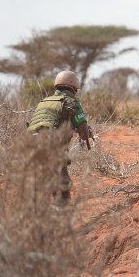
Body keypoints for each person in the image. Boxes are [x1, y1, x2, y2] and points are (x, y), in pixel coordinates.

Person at [26, 69, 93, 204]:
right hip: (51, 145)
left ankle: (33, 216)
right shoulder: (71, 101)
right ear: (73, 87)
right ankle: (60, 216)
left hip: (29, 144)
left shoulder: (44, 101)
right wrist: (86, 133)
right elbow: (84, 134)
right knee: (62, 184)